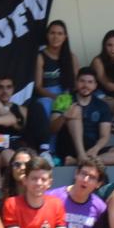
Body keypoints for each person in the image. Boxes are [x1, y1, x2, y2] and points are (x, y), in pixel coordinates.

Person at [33, 21, 80, 153]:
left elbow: (77, 85)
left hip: (66, 94)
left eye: (60, 33)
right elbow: (38, 86)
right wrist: (55, 97)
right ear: (47, 35)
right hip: (47, 95)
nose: (56, 37)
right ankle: (48, 151)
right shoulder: (41, 56)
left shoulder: (72, 58)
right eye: (52, 33)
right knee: (45, 106)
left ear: (65, 37)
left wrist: (64, 97)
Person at [62, 69, 114, 164]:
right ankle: (81, 156)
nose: (86, 85)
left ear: (95, 86)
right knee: (75, 110)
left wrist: (95, 149)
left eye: (90, 82)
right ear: (76, 82)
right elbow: (52, 128)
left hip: (91, 150)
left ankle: (81, 161)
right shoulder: (65, 99)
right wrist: (64, 117)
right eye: (82, 81)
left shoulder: (101, 105)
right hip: (70, 147)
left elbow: (105, 135)